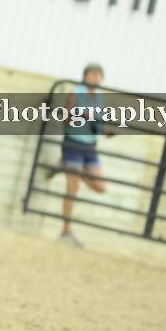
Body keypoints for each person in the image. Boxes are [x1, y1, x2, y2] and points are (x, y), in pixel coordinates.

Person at [50, 63, 110, 246]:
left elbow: (98, 123)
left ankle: (67, 167)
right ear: (85, 76)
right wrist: (81, 116)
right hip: (74, 142)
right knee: (73, 189)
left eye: (98, 75)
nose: (96, 78)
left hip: (90, 146)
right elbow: (65, 118)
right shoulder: (76, 92)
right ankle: (66, 231)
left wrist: (106, 130)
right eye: (92, 74)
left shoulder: (100, 97)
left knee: (101, 186)